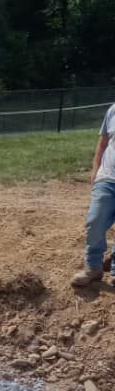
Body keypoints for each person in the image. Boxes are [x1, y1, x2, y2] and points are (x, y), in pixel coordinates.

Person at [72, 103, 115, 286]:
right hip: (107, 178)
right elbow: (103, 143)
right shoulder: (113, 110)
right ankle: (93, 267)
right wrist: (95, 172)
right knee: (95, 220)